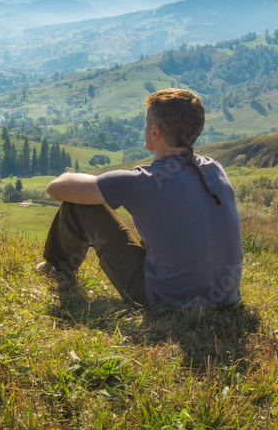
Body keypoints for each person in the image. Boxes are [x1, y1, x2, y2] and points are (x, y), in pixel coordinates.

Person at [41, 88, 242, 308]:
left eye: (146, 123)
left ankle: (56, 270)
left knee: (78, 206)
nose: (144, 128)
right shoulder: (215, 169)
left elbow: (56, 188)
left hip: (165, 301)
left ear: (155, 132)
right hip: (226, 297)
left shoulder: (145, 181)